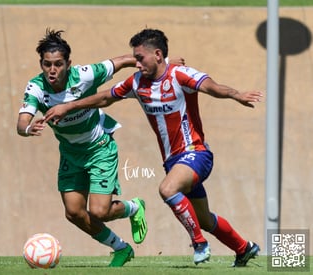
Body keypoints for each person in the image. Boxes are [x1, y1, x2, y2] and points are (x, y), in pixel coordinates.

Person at [44, 28, 263, 267]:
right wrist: (69, 107)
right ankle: (244, 248)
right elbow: (106, 97)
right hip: (173, 161)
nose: (136, 64)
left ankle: (199, 244)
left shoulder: (180, 75)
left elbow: (212, 87)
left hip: (196, 153)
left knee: (167, 189)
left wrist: (236, 94)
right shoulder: (137, 83)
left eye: (140, 58)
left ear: (157, 55)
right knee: (204, 219)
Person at [16, 28, 148, 267]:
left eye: (58, 64)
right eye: (47, 64)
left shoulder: (85, 75)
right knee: (74, 212)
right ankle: (121, 248)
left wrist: (162, 64)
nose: (52, 70)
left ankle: (133, 207)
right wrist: (28, 129)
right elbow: (22, 121)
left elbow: (121, 62)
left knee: (99, 212)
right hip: (70, 153)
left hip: (99, 149)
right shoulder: (36, 87)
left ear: (69, 63)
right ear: (41, 64)